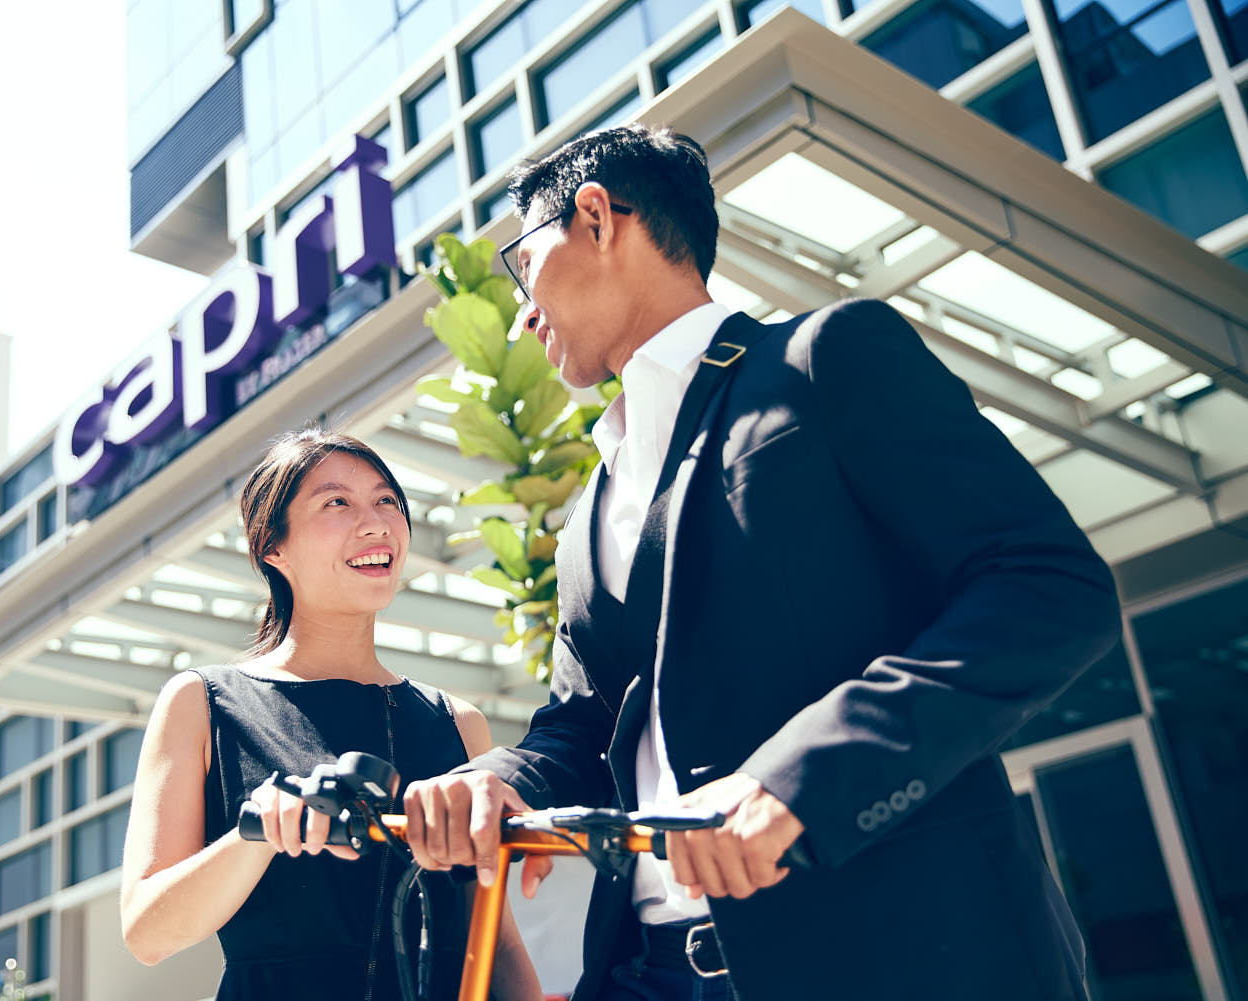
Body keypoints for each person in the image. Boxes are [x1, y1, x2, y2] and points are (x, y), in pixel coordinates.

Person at [399, 125, 1122, 1001]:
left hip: (891, 956)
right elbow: (583, 723)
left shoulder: (824, 361)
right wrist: (499, 780)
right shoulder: (594, 500)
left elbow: (1048, 586)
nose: (521, 311)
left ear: (595, 218)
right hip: (653, 972)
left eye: (521, 263)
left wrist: (796, 782)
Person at [120, 427, 542, 1001]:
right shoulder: (202, 703)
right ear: (273, 548)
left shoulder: (456, 721)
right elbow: (146, 933)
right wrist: (260, 832)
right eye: (336, 502)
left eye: (387, 501)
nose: (376, 522)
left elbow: (496, 940)